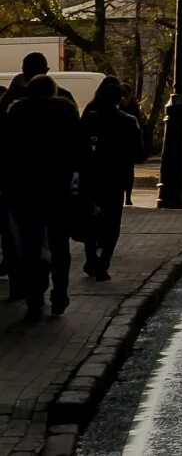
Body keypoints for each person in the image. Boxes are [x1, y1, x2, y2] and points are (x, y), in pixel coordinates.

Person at [5, 75, 81, 321]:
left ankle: (34, 301)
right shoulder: (66, 112)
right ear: (53, 91)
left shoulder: (17, 112)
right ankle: (60, 294)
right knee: (60, 245)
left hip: (26, 190)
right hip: (58, 189)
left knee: (31, 245)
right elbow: (77, 151)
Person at [78, 77, 142, 282]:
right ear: (120, 99)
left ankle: (90, 260)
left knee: (90, 222)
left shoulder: (89, 118)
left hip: (90, 177)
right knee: (112, 223)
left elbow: (77, 148)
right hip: (116, 179)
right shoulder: (128, 121)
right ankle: (103, 264)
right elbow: (140, 153)